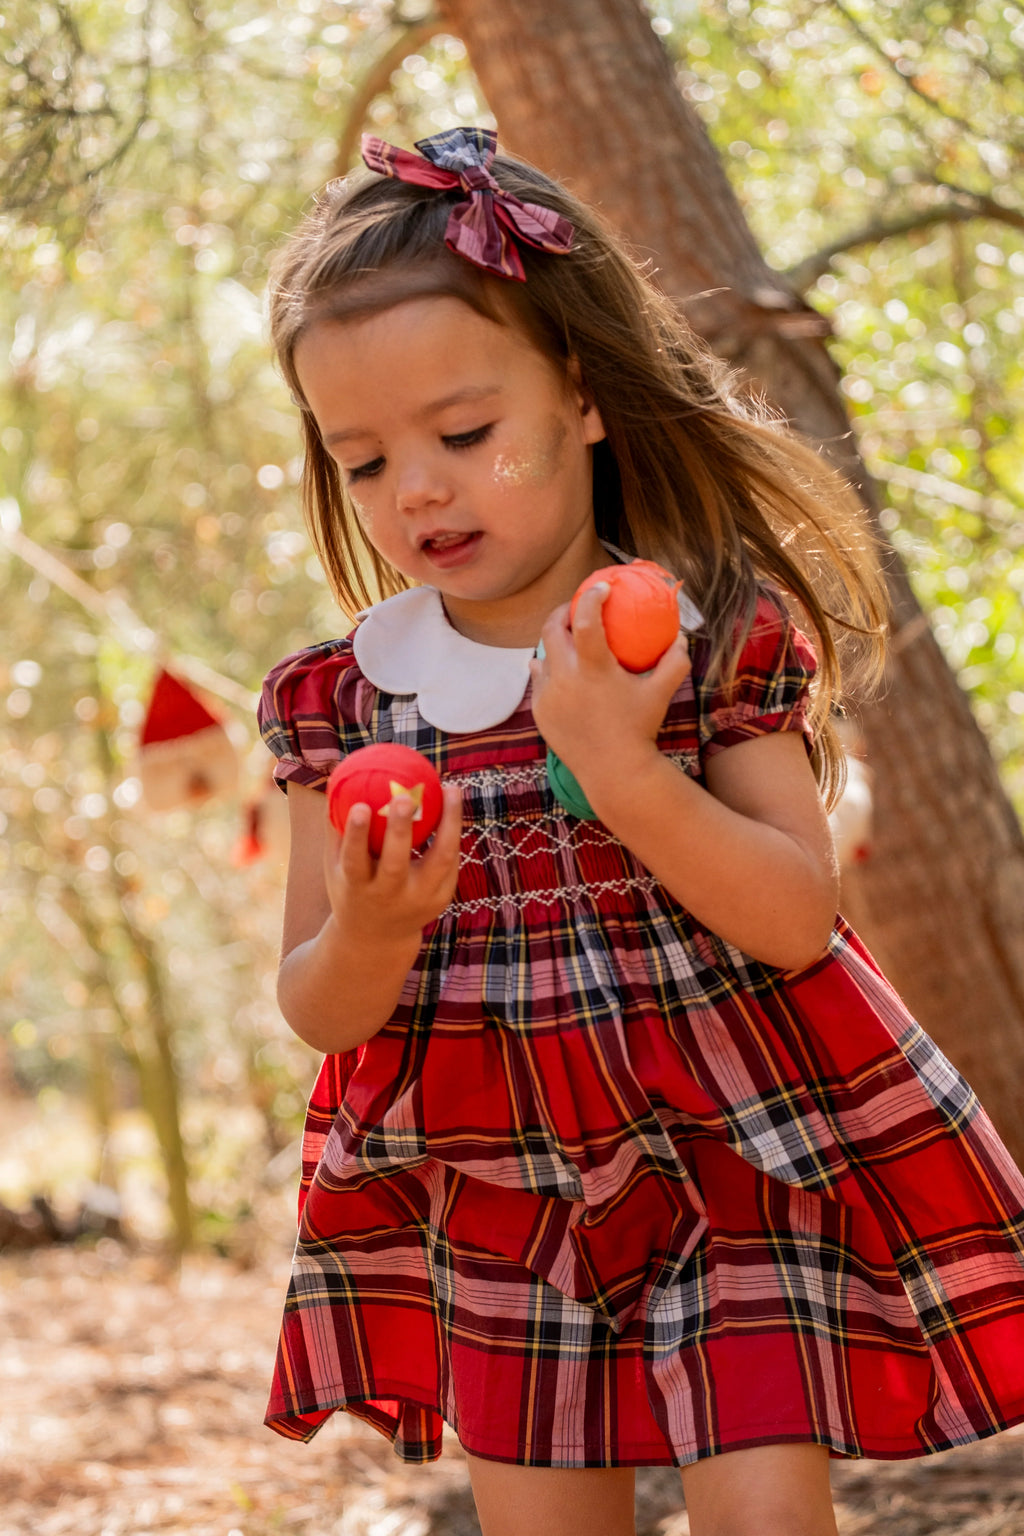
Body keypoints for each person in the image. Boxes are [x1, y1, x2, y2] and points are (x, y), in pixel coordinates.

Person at [258, 127, 1024, 1536]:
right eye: (362, 459)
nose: (415, 487)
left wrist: (625, 770)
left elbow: (798, 920)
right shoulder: (348, 699)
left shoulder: (708, 635)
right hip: (499, 1194)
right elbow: (316, 1004)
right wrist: (371, 926)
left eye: (464, 433)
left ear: (589, 396)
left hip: (738, 1158)